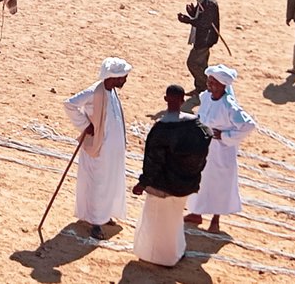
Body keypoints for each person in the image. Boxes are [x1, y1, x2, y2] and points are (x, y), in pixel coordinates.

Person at [131, 85, 209, 267]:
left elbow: (153, 162)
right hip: (185, 185)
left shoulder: (161, 128)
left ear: (166, 99)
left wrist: (143, 183)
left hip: (162, 186)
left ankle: (159, 258)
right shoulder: (196, 125)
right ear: (183, 100)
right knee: (174, 221)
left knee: (158, 223)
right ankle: (176, 252)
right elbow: (206, 142)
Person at [65, 57, 132, 239]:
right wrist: (85, 125)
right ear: (114, 77)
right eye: (123, 77)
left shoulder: (111, 91)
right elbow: (69, 104)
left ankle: (104, 214)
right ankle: (95, 222)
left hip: (113, 149)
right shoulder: (94, 91)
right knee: (98, 183)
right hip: (99, 148)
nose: (125, 80)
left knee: (110, 181)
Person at [185, 65, 256, 230]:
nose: (209, 85)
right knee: (200, 179)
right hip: (203, 148)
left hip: (221, 151)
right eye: (209, 81)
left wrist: (225, 136)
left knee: (219, 183)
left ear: (223, 85)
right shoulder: (205, 97)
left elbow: (248, 125)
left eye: (213, 82)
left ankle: (215, 219)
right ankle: (196, 212)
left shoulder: (229, 106)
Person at [178, 0, 220, 93]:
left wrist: (188, 20)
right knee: (201, 64)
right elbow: (200, 16)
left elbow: (205, 23)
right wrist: (192, 12)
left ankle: (206, 86)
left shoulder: (210, 3)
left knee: (192, 63)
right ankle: (200, 88)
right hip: (202, 37)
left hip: (205, 38)